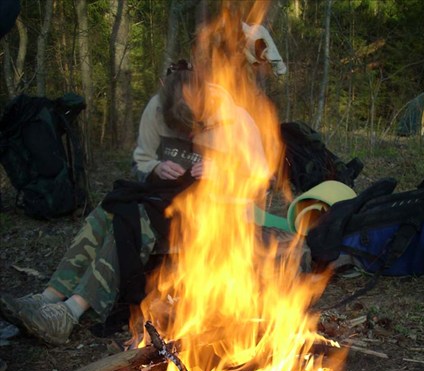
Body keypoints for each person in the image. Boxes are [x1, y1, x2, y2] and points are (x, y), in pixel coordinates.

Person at [0, 61, 268, 345]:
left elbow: (262, 176)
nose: (189, 136)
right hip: (167, 197)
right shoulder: (156, 108)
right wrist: (156, 167)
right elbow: (142, 159)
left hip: (220, 212)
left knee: (135, 222)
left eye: (194, 128)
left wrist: (225, 173)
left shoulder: (236, 120)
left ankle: (69, 312)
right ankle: (48, 297)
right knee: (111, 210)